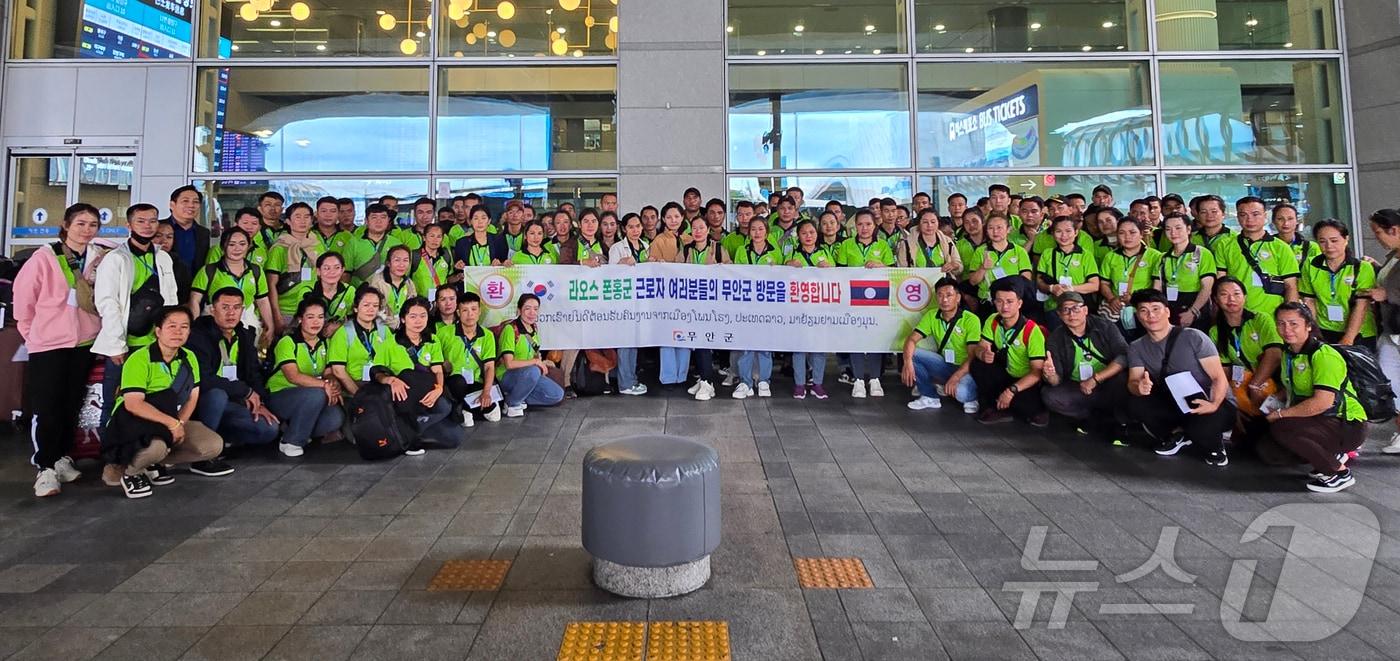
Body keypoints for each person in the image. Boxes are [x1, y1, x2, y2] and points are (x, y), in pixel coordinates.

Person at [14, 203, 104, 497]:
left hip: (83, 343)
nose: (86, 230)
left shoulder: (97, 257)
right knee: (48, 407)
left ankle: (63, 456)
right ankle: (45, 466)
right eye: (80, 224)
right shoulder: (44, 257)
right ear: (66, 225)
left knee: (71, 403)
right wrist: (35, 335)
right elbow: (24, 302)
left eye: (92, 225)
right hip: (49, 344)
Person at [102, 307, 225, 498]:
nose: (178, 332)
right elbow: (133, 404)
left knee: (213, 445)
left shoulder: (189, 357)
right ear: (158, 331)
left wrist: (181, 424)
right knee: (157, 447)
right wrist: (172, 424)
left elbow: (193, 396)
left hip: (169, 419)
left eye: (184, 327)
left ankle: (153, 463)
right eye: (172, 326)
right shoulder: (139, 359)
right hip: (134, 422)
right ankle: (131, 472)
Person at [93, 203, 180, 452]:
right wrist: (116, 344)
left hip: (154, 344)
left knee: (153, 400)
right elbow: (108, 304)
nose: (148, 226)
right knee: (115, 400)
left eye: (153, 221)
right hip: (125, 345)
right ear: (129, 225)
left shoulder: (162, 257)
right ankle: (111, 457)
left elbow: (171, 298)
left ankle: (145, 454)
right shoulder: (116, 259)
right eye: (141, 221)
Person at [1123, 288, 1235, 466]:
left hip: (1211, 401)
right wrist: (1139, 387)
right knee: (1136, 402)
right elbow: (1133, 381)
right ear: (1138, 315)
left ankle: (1213, 444)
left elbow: (1218, 377)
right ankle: (1178, 433)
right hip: (1176, 401)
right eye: (1144, 310)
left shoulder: (1193, 337)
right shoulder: (1136, 347)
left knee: (1200, 427)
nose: (1150, 315)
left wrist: (1213, 404)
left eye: (1156, 309)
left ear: (1167, 312)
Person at [1266, 302, 1369, 493]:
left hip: (1345, 423)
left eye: (1293, 324)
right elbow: (1291, 388)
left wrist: (1281, 414)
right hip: (1319, 419)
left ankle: (1338, 473)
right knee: (1269, 451)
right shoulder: (1289, 353)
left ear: (1308, 325)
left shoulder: (1323, 355)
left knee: (1282, 428)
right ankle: (1329, 455)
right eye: (1281, 324)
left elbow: (1322, 402)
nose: (1286, 329)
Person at [186, 287, 279, 461]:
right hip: (204, 401)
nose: (231, 313)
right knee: (217, 395)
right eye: (225, 307)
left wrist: (260, 401)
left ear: (242, 310)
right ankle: (205, 453)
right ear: (213, 310)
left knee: (269, 429)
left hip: (235, 401)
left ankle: (222, 440)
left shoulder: (244, 335)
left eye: (236, 308)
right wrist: (244, 391)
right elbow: (204, 379)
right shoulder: (199, 335)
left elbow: (253, 374)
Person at [369, 297, 463, 453]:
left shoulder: (432, 340)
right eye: (413, 316)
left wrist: (439, 388)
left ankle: (408, 430)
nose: (418, 321)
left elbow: (438, 370)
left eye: (423, 316)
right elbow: (377, 372)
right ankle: (408, 432)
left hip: (428, 395)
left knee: (454, 434)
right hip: (404, 399)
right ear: (403, 319)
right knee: (407, 375)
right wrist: (390, 380)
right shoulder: (390, 343)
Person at [1040, 292, 1129, 441]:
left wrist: (1096, 378)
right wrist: (1050, 375)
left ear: (1085, 310)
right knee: (1050, 395)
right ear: (1059, 314)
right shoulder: (1056, 338)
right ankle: (1092, 416)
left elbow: (1124, 355)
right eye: (1065, 310)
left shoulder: (1105, 326)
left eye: (1076, 308)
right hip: (1079, 386)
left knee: (1122, 379)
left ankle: (1114, 419)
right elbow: (1057, 380)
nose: (1071, 314)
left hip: (1108, 381)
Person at [266, 298, 344, 458]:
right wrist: (324, 385)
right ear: (300, 319)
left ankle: (293, 427)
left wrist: (333, 384)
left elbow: (328, 372)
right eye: (310, 317)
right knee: (317, 394)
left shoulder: (325, 343)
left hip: (311, 397)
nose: (316, 322)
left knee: (335, 418)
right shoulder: (288, 342)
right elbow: (292, 376)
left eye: (320, 317)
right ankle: (291, 441)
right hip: (280, 394)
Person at [970, 278, 1047, 425]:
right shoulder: (993, 320)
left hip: (1024, 381)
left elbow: (1037, 372)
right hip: (1004, 372)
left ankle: (1007, 405)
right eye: (999, 301)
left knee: (1029, 408)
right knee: (978, 365)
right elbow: (981, 346)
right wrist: (982, 354)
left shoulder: (1031, 330)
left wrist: (1011, 390)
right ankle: (998, 407)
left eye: (1010, 301)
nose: (1004, 306)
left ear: (1019, 303)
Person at [902, 277, 980, 413]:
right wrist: (907, 362)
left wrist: (956, 377)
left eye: (949, 295)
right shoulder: (932, 315)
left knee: (961, 394)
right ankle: (929, 396)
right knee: (913, 353)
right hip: (946, 364)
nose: (944, 300)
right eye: (940, 295)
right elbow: (911, 339)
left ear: (958, 298)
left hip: (966, 368)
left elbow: (973, 356)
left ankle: (971, 396)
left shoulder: (971, 319)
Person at [1213, 196, 1299, 314]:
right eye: (1243, 215)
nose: (1249, 220)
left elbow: (1291, 286)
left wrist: (1290, 315)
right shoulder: (1225, 245)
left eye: (1255, 214)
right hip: (1236, 314)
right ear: (1237, 217)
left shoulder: (1281, 247)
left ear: (1265, 216)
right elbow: (1220, 283)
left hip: (1272, 315)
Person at [1299, 219, 1376, 349]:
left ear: (1346, 239)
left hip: (1359, 333)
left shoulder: (1362, 267)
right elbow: (1309, 300)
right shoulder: (1311, 265)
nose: (1329, 246)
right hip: (1324, 330)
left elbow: (1361, 306)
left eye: (1334, 240)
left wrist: (1348, 339)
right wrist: (1315, 332)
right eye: (1322, 241)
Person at [188, 228, 274, 339]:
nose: (237, 249)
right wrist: (195, 326)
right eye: (231, 244)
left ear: (248, 246)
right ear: (223, 247)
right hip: (215, 321)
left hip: (248, 321)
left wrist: (270, 325)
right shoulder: (209, 270)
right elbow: (194, 299)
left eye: (242, 244)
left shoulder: (256, 270)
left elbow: (262, 300)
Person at [731, 216, 783, 399]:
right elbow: (736, 275)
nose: (757, 232)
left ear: (767, 232)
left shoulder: (775, 252)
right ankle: (745, 382)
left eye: (761, 229)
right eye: (753, 229)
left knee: (764, 345)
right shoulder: (741, 251)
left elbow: (781, 278)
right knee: (746, 346)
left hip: (767, 306)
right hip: (746, 305)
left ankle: (763, 381)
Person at [1364, 208, 1400, 453]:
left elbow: (1392, 290)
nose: (1377, 238)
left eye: (1378, 233)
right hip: (1391, 328)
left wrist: (1388, 295)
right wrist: (1377, 268)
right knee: (1387, 378)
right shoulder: (1393, 256)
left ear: (1394, 230)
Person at [784, 220, 832, 400]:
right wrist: (788, 265)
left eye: (811, 232)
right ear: (798, 235)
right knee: (799, 348)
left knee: (819, 347)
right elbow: (779, 275)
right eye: (804, 233)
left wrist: (828, 268)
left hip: (820, 308)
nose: (808, 236)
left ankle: (817, 383)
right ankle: (799, 384)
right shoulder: (792, 254)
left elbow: (836, 276)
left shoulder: (824, 252)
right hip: (797, 308)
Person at [440, 291, 503, 425]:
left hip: (476, 383)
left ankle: (464, 408)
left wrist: (486, 392)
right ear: (458, 312)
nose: (470, 314)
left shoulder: (487, 335)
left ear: (479, 312)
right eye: (465, 310)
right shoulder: (444, 333)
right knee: (458, 382)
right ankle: (466, 408)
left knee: (494, 415)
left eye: (474, 309)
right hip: (454, 383)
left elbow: (489, 366)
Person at [496, 294, 565, 416]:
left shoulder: (534, 328)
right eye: (527, 308)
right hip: (507, 375)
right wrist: (535, 363)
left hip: (528, 375)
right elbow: (509, 363)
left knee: (557, 395)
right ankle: (512, 403)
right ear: (519, 310)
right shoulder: (510, 329)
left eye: (535, 309)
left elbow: (534, 355)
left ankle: (517, 395)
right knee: (533, 371)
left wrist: (540, 362)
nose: (532, 312)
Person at [679, 219, 722, 401]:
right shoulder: (687, 249)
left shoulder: (718, 249)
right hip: (691, 305)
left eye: (701, 228)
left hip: (711, 305)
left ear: (708, 230)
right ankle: (704, 379)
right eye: (694, 228)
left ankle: (708, 383)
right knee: (696, 342)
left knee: (704, 341)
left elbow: (729, 272)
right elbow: (674, 270)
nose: (697, 231)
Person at [266, 202, 323, 331]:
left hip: (311, 308)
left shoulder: (317, 245)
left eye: (306, 217)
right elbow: (271, 284)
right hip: (285, 310)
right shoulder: (279, 248)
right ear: (288, 221)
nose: (302, 221)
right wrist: (276, 315)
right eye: (298, 217)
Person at [609, 214, 650, 396]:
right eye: (631, 227)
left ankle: (631, 380)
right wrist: (621, 264)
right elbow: (609, 276)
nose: (635, 230)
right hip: (623, 301)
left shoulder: (646, 246)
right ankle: (625, 383)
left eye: (638, 226)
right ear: (624, 229)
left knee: (634, 342)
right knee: (625, 343)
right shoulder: (617, 248)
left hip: (640, 301)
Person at [1034, 216, 1100, 327]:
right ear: (1053, 234)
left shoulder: (1085, 255)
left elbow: (1094, 285)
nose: (1064, 236)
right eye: (1058, 231)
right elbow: (1039, 281)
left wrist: (1071, 289)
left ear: (1076, 232)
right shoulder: (1047, 253)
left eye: (1068, 231)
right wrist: (1051, 288)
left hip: (1079, 308)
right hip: (1054, 307)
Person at [328, 286, 393, 400]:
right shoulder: (344, 332)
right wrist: (359, 395)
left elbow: (393, 359)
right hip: (353, 385)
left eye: (375, 306)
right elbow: (338, 370)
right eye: (366, 305)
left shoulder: (384, 330)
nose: (371, 309)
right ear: (356, 308)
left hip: (380, 382)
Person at [1154, 213, 1216, 328]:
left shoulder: (1202, 253)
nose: (1173, 233)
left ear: (1188, 229)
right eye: (1168, 229)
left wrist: (1192, 312)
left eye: (1178, 228)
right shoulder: (1162, 258)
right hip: (1169, 310)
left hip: (1196, 310)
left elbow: (1207, 288)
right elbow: (1157, 288)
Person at [968, 211, 1033, 314]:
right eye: (991, 228)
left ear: (1008, 230)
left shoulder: (1019, 251)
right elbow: (973, 281)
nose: (995, 232)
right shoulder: (981, 251)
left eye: (999, 228)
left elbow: (1026, 279)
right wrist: (983, 268)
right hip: (988, 302)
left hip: (1011, 304)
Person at [345, 203, 402, 284]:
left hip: (387, 293)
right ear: (366, 221)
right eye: (374, 217)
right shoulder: (354, 243)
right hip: (359, 293)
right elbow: (346, 272)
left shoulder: (397, 244)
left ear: (388, 220)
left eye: (383, 217)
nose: (379, 221)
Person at [302, 252, 356, 334]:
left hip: (340, 336)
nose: (332, 272)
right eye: (326, 268)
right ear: (318, 271)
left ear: (342, 270)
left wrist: (338, 326)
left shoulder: (350, 291)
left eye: (337, 268)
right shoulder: (308, 291)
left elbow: (354, 317)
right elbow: (303, 320)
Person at [897, 208, 962, 276]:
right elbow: (902, 271)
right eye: (925, 222)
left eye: (933, 222)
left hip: (943, 283)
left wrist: (954, 265)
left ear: (938, 223)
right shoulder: (906, 243)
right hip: (916, 283)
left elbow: (959, 266)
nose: (929, 225)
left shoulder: (947, 241)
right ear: (919, 223)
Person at [367, 245, 417, 330]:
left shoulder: (409, 283)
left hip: (404, 328)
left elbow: (414, 307)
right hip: (380, 329)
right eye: (397, 260)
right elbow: (374, 311)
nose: (401, 265)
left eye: (405, 260)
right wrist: (397, 324)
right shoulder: (377, 283)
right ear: (388, 263)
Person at [163, 185, 210, 272]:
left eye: (195, 202)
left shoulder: (203, 233)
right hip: (165, 282)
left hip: (195, 283)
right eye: (185, 201)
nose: (191, 205)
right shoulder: (159, 228)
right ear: (172, 205)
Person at [206, 207, 270, 269]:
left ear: (259, 227)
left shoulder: (262, 251)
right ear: (236, 224)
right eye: (245, 223)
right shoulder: (219, 249)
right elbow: (209, 273)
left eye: (254, 223)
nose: (249, 227)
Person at [152, 221, 193, 305]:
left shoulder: (180, 265)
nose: (164, 241)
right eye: (158, 236)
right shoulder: (143, 259)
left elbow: (184, 294)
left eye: (169, 237)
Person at [410, 224, 454, 300]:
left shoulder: (446, 255)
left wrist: (458, 276)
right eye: (432, 236)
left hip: (441, 300)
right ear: (424, 237)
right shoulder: (414, 255)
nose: (435, 240)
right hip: (419, 301)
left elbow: (449, 278)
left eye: (439, 236)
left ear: (442, 239)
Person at [1272, 203, 1321, 270]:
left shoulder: (1311, 247)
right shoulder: (1266, 245)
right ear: (1273, 221)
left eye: (1290, 218)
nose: (1286, 223)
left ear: (1297, 221)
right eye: (1280, 219)